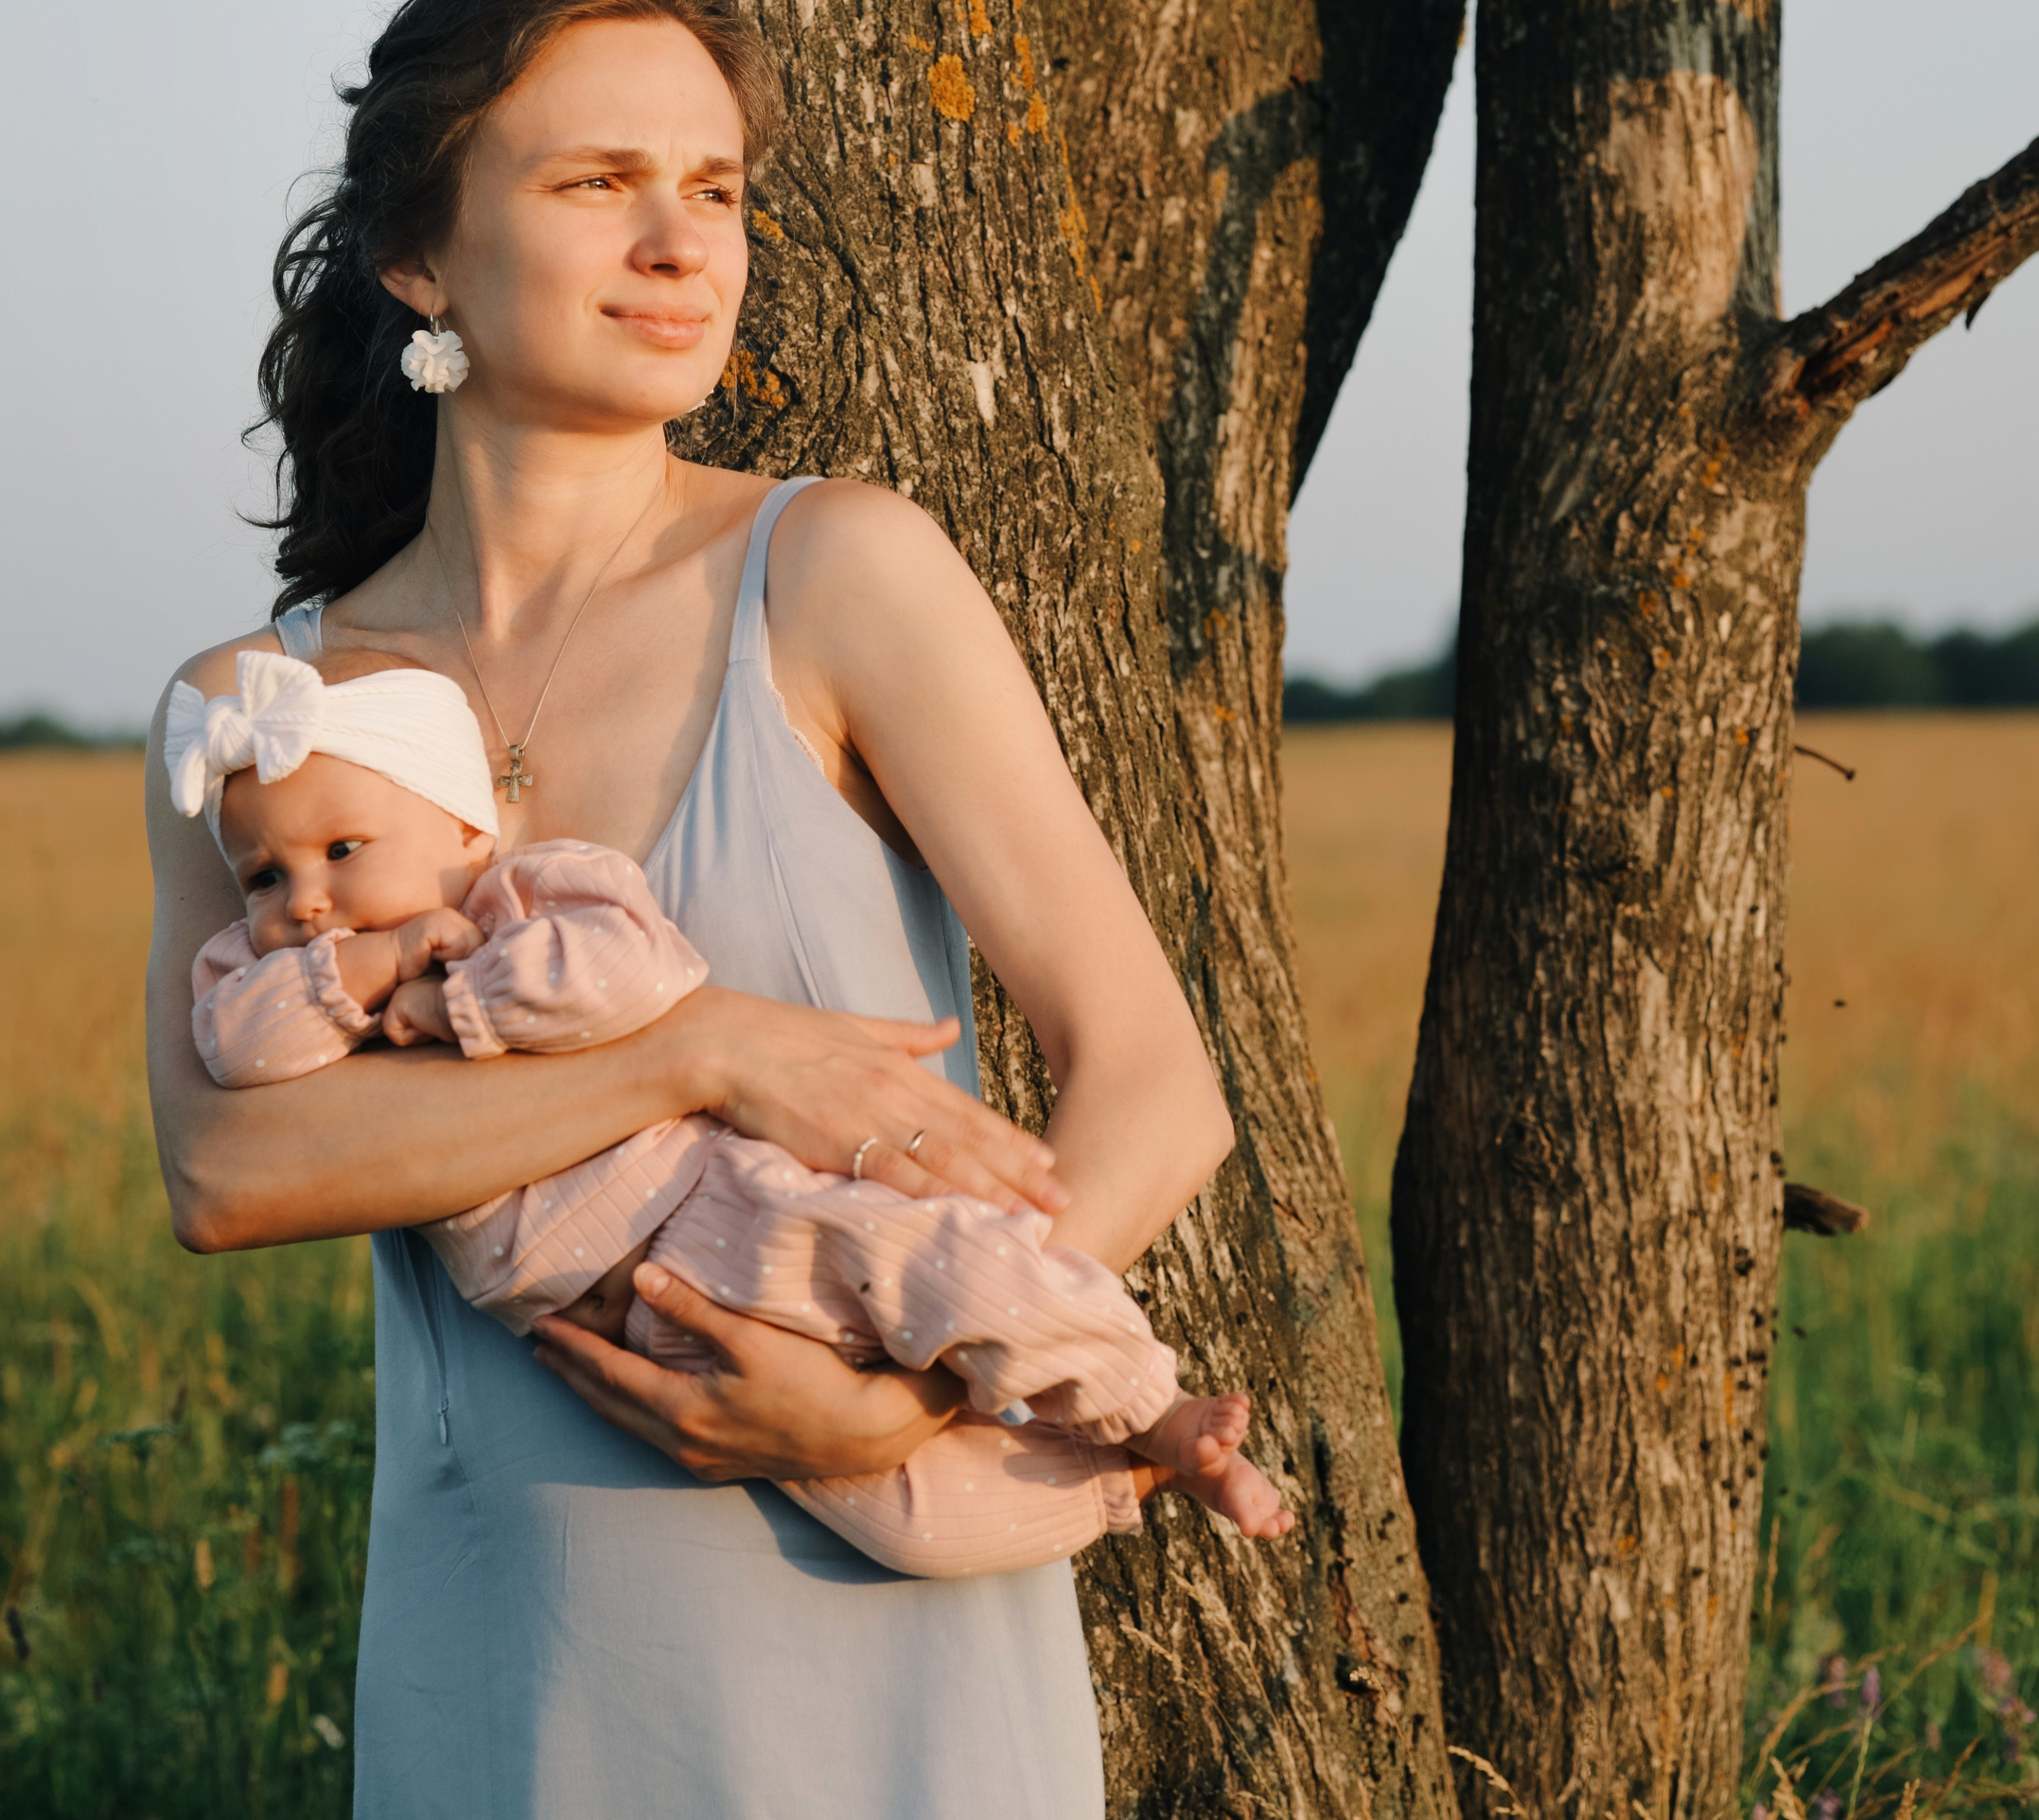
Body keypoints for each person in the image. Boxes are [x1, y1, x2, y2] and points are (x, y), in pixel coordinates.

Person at [141, 2, 1238, 1811]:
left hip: (890, 1637)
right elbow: (234, 1170)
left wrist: (902, 1406)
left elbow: (1152, 1078)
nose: (681, 245)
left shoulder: (839, 571)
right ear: (419, 255)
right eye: (599, 181)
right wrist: (709, 1050)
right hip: (512, 1650)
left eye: (714, 188)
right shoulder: (260, 706)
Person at [165, 643, 1292, 1574]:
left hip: (705, 1206)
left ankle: (1152, 1409)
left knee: (946, 1270)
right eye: (263, 877)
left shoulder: (526, 895)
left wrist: (452, 994)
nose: (305, 900)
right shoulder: (289, 976)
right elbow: (231, 1049)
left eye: (344, 851)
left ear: (464, 829)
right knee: (905, 1526)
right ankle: (1120, 1484)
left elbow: (628, 977)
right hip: (618, 1321)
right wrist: (367, 970)